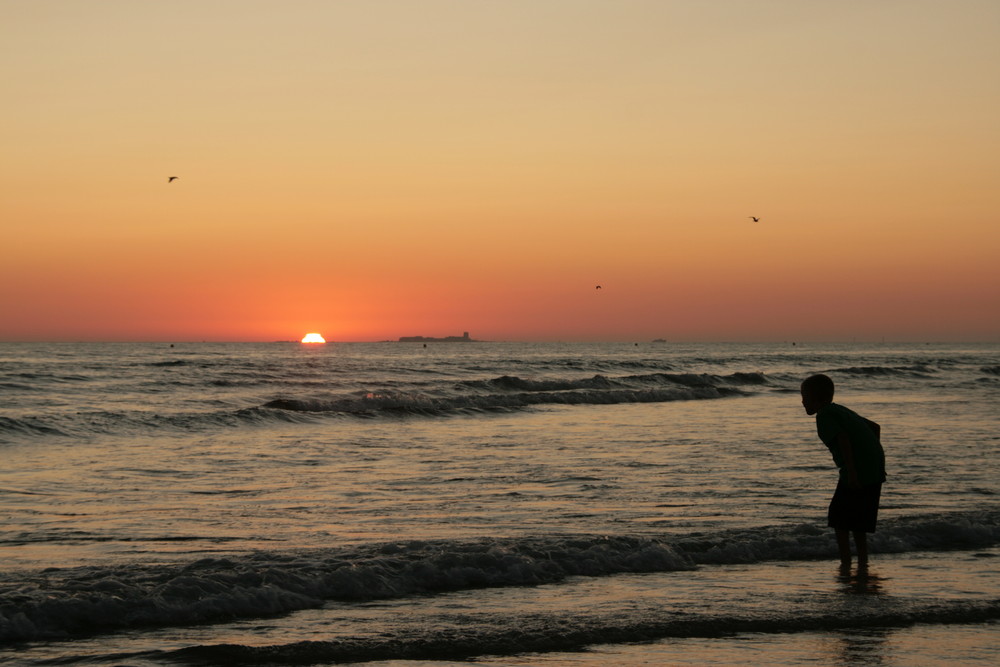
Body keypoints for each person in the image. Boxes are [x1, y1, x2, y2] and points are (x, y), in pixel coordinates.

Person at [800, 374, 886, 572]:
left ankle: (846, 563)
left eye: (804, 396)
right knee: (859, 521)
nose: (802, 401)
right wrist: (872, 455)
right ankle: (863, 562)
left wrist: (853, 472)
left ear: (814, 398)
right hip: (875, 467)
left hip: (857, 469)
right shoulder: (839, 410)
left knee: (839, 518)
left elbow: (843, 439)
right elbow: (875, 427)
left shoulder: (824, 415)